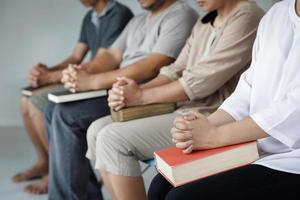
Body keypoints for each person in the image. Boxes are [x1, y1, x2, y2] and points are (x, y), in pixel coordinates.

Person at [86, 0, 264, 199]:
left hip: (211, 116)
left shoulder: (248, 16)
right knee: (95, 130)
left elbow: (201, 81)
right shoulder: (206, 20)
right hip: (183, 108)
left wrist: (140, 96)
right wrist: (135, 90)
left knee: (112, 139)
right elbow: (175, 69)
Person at [45, 0, 198, 199]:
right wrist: (82, 72)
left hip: (147, 95)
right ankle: (84, 195)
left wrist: (91, 81)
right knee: (52, 110)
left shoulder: (180, 15)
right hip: (118, 91)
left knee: (68, 115)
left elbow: (151, 67)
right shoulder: (138, 20)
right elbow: (110, 55)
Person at [148, 0, 300, 199]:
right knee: (160, 186)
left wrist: (214, 136)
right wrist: (205, 125)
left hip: (292, 160)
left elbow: (293, 110)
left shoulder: (248, 15)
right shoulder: (276, 14)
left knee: (183, 197)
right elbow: (248, 87)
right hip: (256, 146)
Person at [13, 0, 133, 195]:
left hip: (103, 83)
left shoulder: (119, 14)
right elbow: (75, 57)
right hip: (85, 75)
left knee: (40, 105)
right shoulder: (90, 17)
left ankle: (57, 174)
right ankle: (47, 164)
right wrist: (47, 70)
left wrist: (51, 77)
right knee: (25, 99)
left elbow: (104, 61)